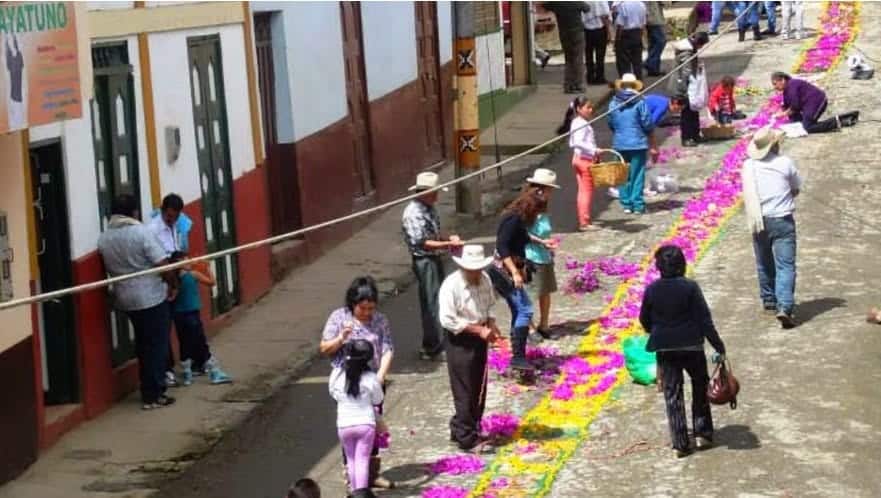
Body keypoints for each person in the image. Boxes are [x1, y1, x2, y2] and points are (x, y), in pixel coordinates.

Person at [639, 245, 726, 458]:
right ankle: (702, 433)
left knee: (672, 394)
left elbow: (644, 318)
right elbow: (705, 320)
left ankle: (680, 443)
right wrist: (718, 345)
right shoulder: (691, 287)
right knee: (699, 386)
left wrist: (657, 331)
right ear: (682, 265)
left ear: (659, 267)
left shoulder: (652, 289)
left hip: (666, 348)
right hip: (692, 346)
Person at [97, 194, 178, 410]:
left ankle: (148, 390)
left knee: (143, 344)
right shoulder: (141, 233)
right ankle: (154, 393)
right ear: (134, 212)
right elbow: (162, 264)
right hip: (151, 297)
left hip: (125, 299)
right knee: (157, 345)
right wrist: (172, 284)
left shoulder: (104, 238)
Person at [319, 276, 394, 489]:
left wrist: (380, 376)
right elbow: (324, 349)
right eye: (363, 308)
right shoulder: (338, 318)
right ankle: (352, 479)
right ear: (353, 303)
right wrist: (341, 338)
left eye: (371, 308)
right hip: (348, 383)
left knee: (371, 427)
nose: (368, 313)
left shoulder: (380, 320)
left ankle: (370, 474)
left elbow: (388, 348)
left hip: (373, 381)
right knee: (353, 426)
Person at [439, 244, 501, 451]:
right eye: (471, 270)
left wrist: (491, 323)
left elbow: (490, 305)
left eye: (478, 269)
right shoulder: (451, 285)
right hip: (460, 337)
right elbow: (448, 320)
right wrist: (477, 330)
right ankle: (466, 437)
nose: (475, 273)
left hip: (480, 334)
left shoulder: (485, 279)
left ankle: (463, 427)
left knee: (478, 385)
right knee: (464, 386)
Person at [741, 127, 802, 328]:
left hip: (759, 220)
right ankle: (784, 306)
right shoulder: (785, 163)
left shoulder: (749, 166)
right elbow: (796, 187)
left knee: (764, 262)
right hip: (782, 220)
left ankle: (769, 302)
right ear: (775, 144)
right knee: (785, 265)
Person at [401, 172, 464, 361]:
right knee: (431, 302)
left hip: (435, 257)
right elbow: (422, 243)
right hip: (424, 260)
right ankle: (432, 345)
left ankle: (441, 340)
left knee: (442, 298)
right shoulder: (413, 214)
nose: (437, 196)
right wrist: (449, 245)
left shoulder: (429, 208)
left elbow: (435, 232)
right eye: (435, 192)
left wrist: (448, 238)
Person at [488, 191, 546, 376]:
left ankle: (518, 354)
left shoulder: (518, 220)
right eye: (537, 213)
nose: (537, 217)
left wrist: (543, 243)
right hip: (503, 271)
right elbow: (502, 246)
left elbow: (523, 237)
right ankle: (518, 356)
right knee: (524, 309)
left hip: (508, 270)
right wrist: (514, 272)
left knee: (519, 309)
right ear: (530, 209)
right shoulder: (512, 219)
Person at [329, 339, 383, 498]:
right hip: (365, 424)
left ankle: (353, 493)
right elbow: (378, 399)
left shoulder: (337, 374)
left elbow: (332, 392)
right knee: (362, 461)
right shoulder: (370, 377)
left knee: (351, 460)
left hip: (344, 424)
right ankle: (362, 494)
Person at [168, 252, 232, 386]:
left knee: (184, 343)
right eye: (186, 259)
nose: (190, 261)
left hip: (178, 315)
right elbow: (212, 282)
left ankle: (187, 375)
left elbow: (171, 298)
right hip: (192, 314)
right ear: (180, 263)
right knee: (200, 342)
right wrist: (207, 267)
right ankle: (214, 371)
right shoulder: (193, 275)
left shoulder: (173, 279)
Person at [149, 193, 187, 388]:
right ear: (163, 211)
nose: (172, 220)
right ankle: (167, 370)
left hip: (174, 278)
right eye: (170, 217)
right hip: (161, 283)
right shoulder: (153, 230)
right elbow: (157, 260)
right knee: (162, 330)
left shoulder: (176, 225)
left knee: (171, 325)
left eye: (176, 217)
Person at [607, 74, 654, 215]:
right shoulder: (640, 102)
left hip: (620, 143)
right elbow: (647, 122)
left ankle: (626, 204)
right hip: (637, 143)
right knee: (637, 174)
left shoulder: (613, 103)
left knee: (623, 175)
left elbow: (611, 122)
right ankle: (638, 204)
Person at [771, 72, 859, 134]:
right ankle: (802, 122)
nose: (775, 87)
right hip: (807, 105)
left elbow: (795, 106)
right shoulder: (787, 90)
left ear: (782, 80)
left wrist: (782, 114)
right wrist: (780, 112)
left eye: (775, 84)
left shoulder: (792, 86)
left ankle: (839, 121)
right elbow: (787, 105)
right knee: (796, 121)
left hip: (817, 101)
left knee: (808, 127)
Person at [525, 183, 559, 342]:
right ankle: (529, 327)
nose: (550, 193)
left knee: (545, 290)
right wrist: (542, 242)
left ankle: (544, 324)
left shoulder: (543, 207)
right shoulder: (528, 207)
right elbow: (523, 233)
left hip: (545, 255)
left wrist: (549, 245)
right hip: (531, 255)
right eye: (549, 190)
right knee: (531, 292)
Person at [557, 97, 598, 231]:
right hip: (585, 160)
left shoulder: (576, 122)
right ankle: (584, 222)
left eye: (591, 107)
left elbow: (572, 142)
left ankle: (583, 219)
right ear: (579, 109)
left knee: (582, 191)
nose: (591, 110)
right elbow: (578, 142)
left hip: (578, 158)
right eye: (588, 107)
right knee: (586, 191)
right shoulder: (581, 124)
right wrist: (594, 150)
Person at [543, 2, 588, 93]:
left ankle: (568, 85)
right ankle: (578, 84)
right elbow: (587, 8)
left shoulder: (558, 3)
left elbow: (545, 5)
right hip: (577, 32)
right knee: (578, 59)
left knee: (568, 59)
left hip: (564, 32)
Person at [612, 0, 647, 80]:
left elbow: (620, 25)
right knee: (637, 61)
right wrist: (644, 38)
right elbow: (643, 23)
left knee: (624, 62)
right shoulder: (641, 4)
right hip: (637, 33)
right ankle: (639, 82)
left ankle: (627, 83)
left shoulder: (622, 5)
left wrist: (617, 40)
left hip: (625, 34)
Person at [582, 0, 612, 85]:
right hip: (599, 29)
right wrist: (609, 31)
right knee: (600, 55)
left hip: (586, 30)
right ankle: (600, 77)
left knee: (588, 55)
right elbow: (604, 16)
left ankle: (590, 77)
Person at [644, 1, 667, 77]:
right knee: (660, 41)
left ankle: (653, 69)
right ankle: (649, 62)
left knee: (653, 43)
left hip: (650, 18)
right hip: (654, 19)